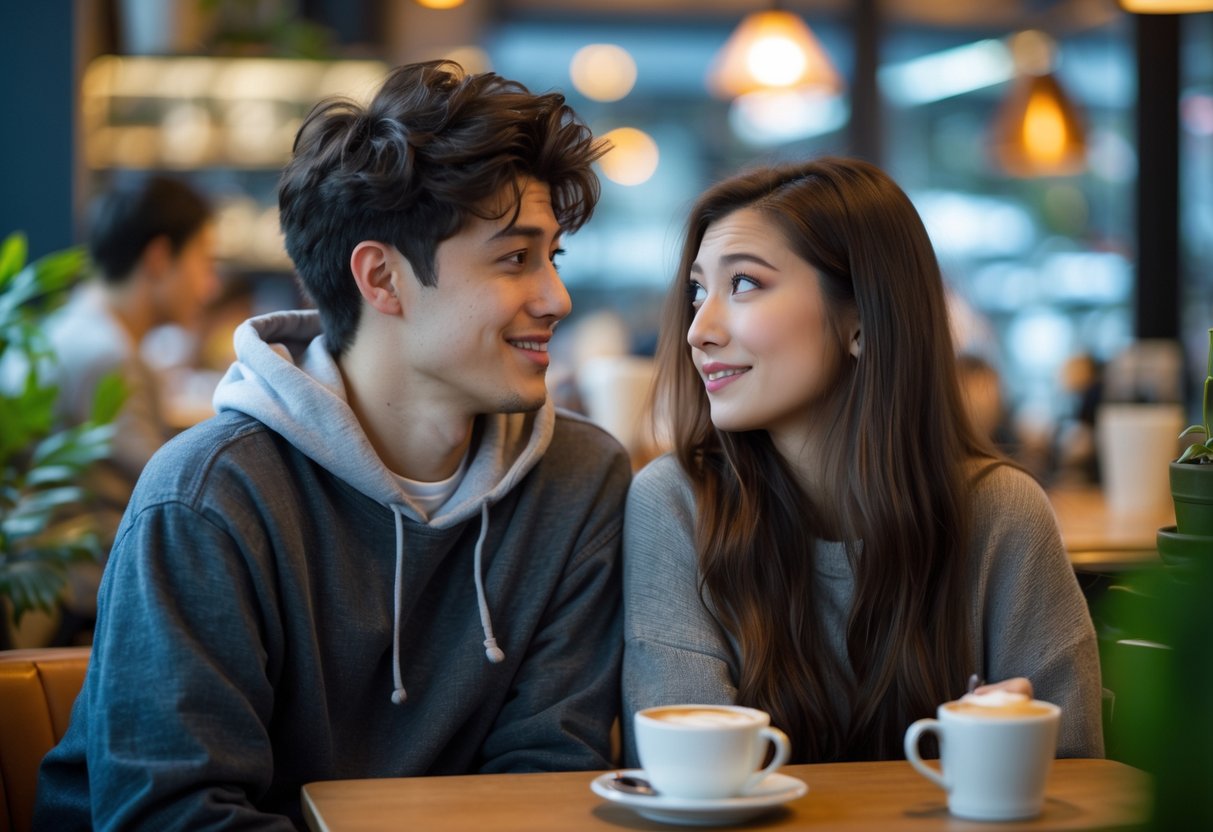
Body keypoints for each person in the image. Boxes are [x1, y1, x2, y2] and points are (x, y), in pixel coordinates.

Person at [36, 60, 630, 828]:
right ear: (380, 278)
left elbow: (544, 783)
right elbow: (174, 815)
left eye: (553, 257)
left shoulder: (580, 481)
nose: (557, 298)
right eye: (515, 258)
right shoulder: (207, 499)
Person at [622, 158, 1103, 766]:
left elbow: (1077, 776)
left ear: (862, 319)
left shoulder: (1002, 514)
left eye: (743, 283)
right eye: (697, 291)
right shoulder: (677, 503)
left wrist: (1010, 759)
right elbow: (686, 777)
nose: (698, 330)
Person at [45, 174, 220, 640]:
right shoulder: (108, 357)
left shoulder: (70, 325)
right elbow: (172, 490)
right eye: (205, 261)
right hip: (81, 599)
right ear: (160, 258)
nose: (209, 286)